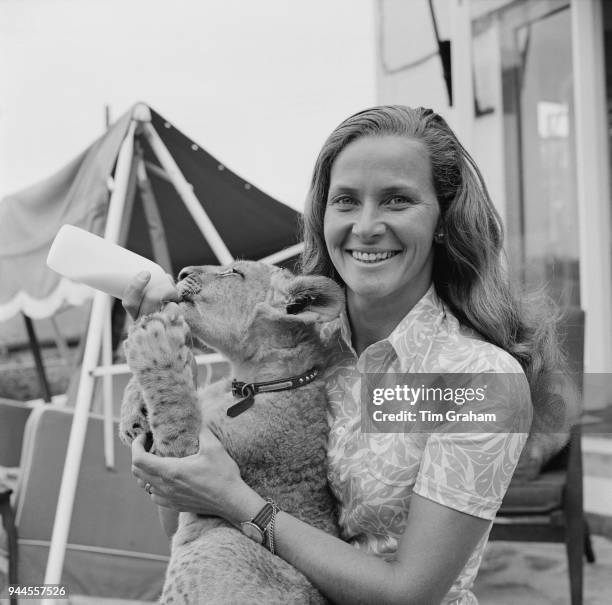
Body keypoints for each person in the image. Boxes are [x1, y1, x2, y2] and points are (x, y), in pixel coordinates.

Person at [123, 105, 568, 604]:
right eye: (346, 201)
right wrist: (157, 377)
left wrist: (240, 503)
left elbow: (409, 595)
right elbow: (185, 519)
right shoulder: (294, 350)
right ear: (323, 216)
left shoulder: (478, 379)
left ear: (444, 218)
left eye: (397, 200)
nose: (367, 225)